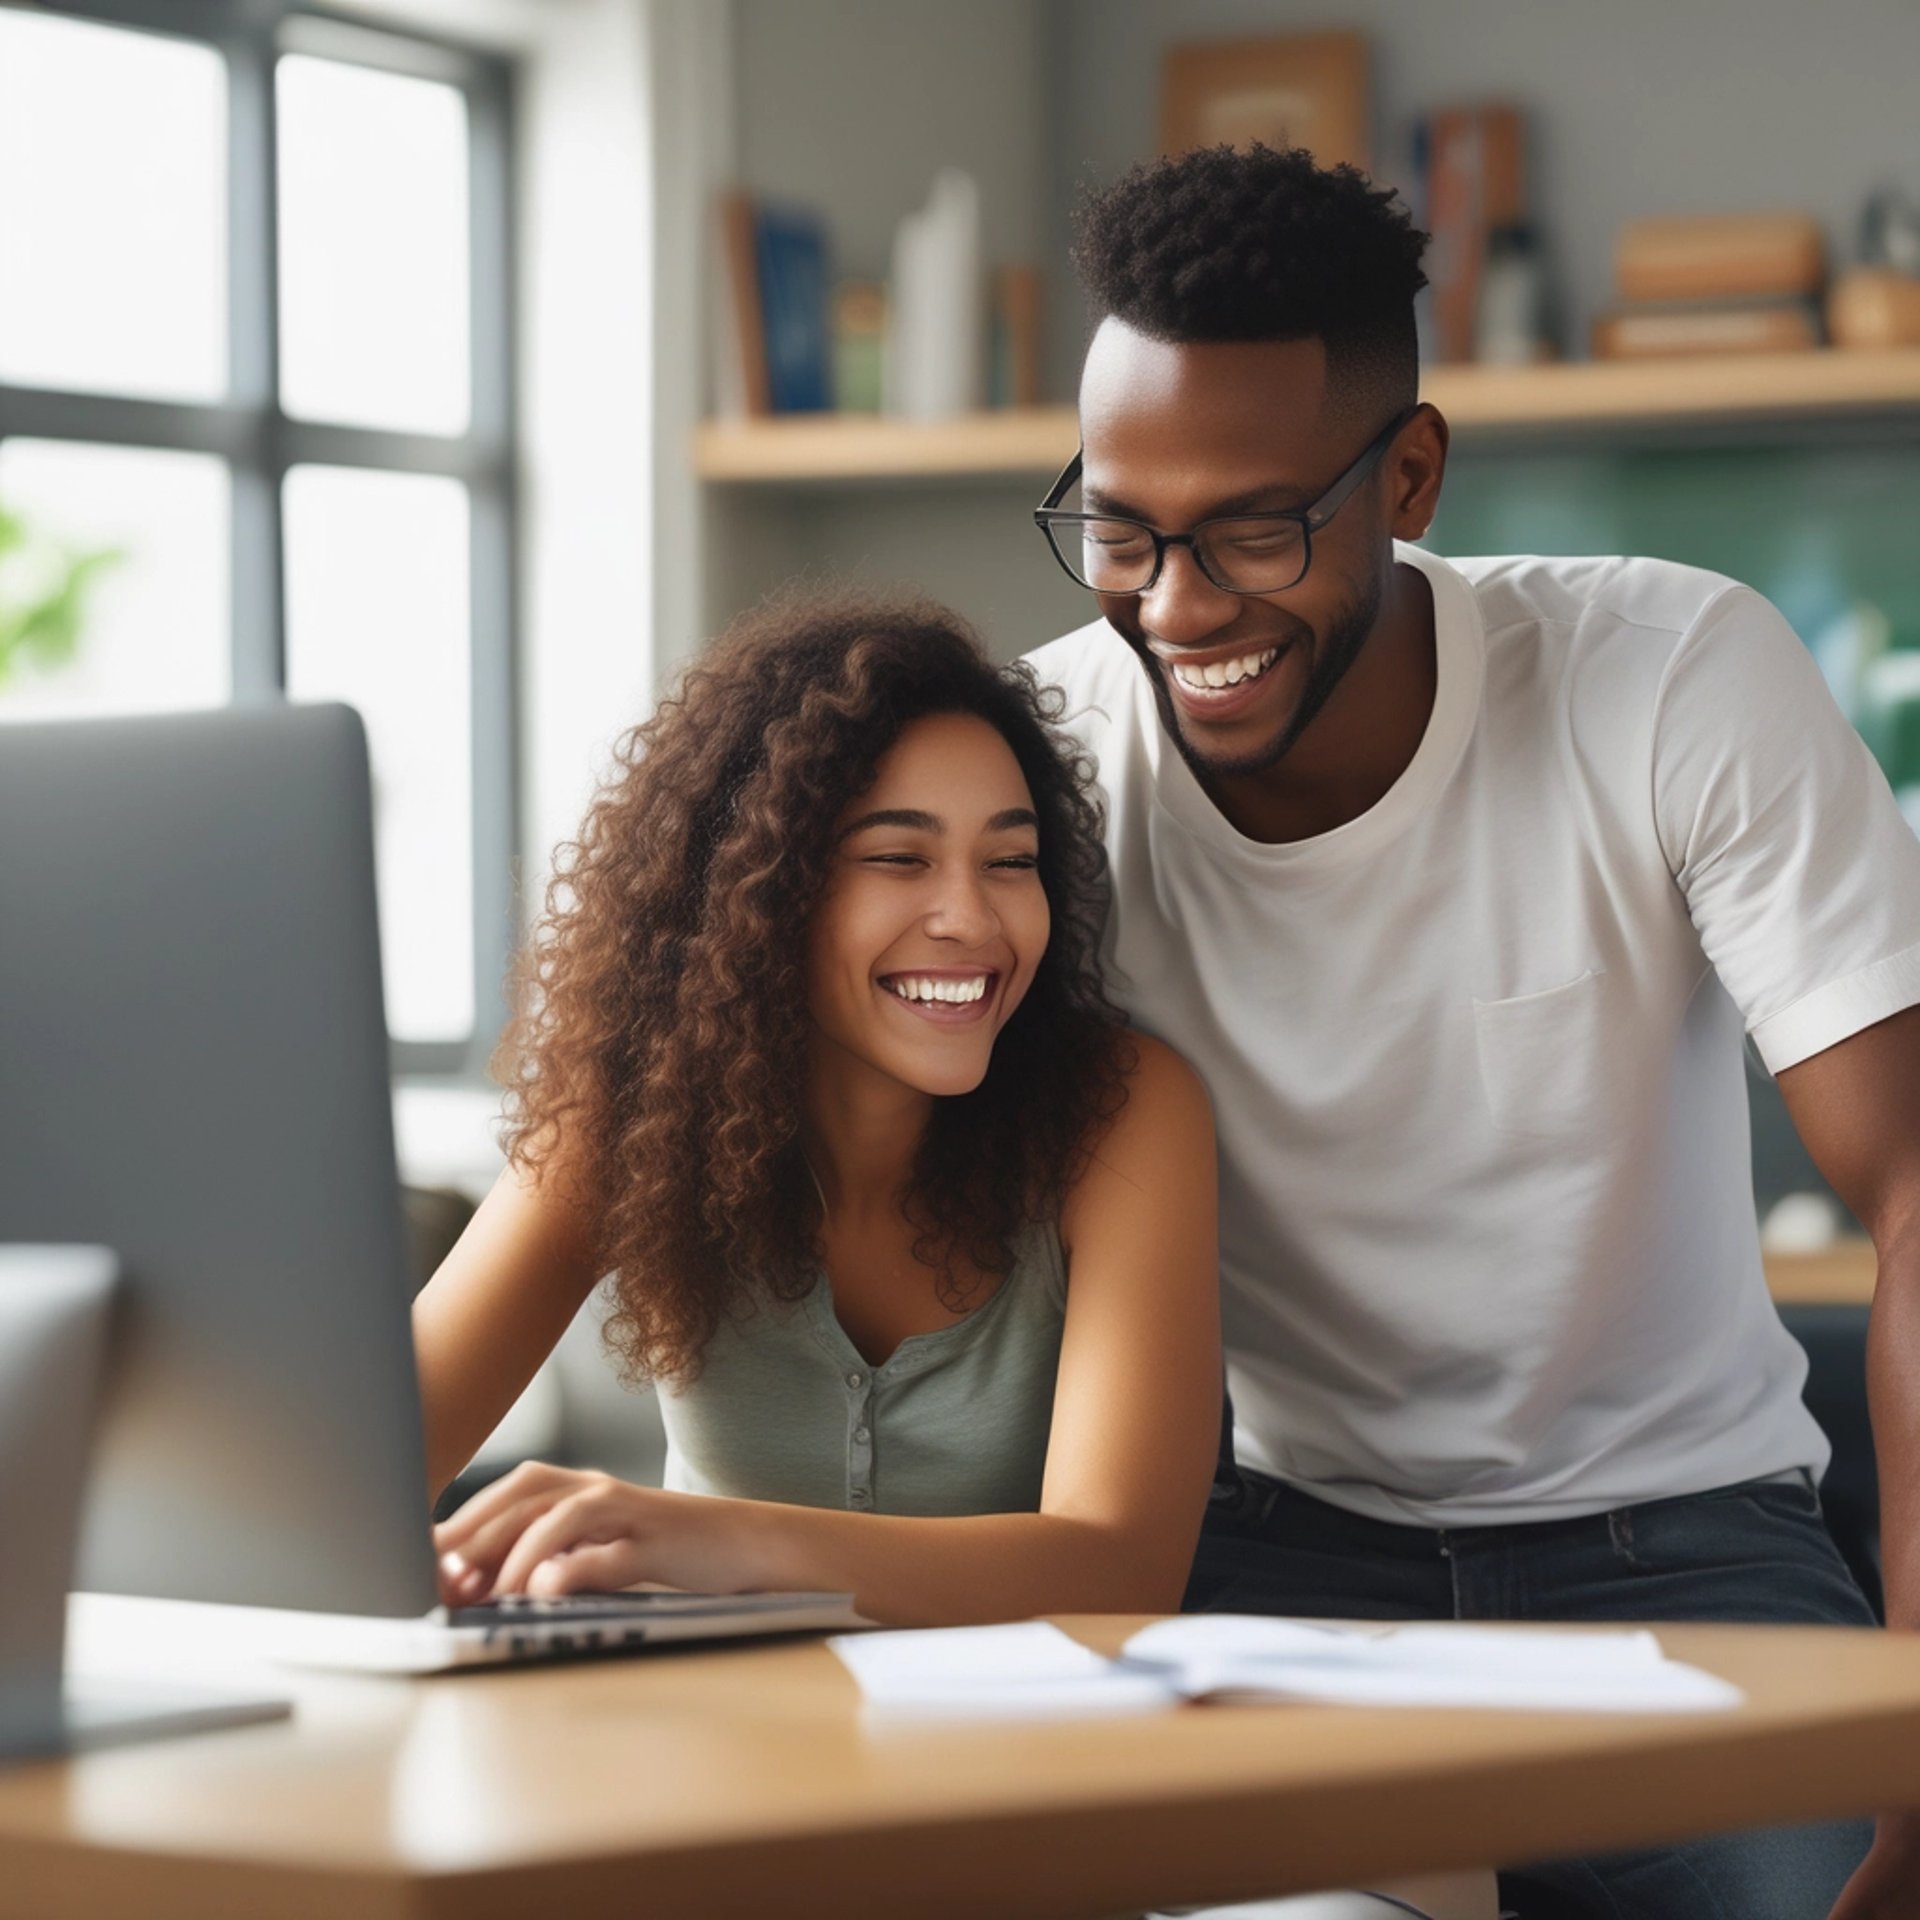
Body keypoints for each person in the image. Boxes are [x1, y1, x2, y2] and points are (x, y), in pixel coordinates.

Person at [1025, 143, 1920, 1920]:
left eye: (1256, 530)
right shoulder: (1048, 762)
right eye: (1123, 529)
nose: (1178, 609)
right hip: (1268, 1551)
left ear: (1410, 475)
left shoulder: (1672, 677)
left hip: (1683, 1544)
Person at [413, 588, 1223, 1628]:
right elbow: (362, 1472)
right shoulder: (632, 1110)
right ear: (761, 894)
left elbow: (1120, 1571)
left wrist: (719, 1539)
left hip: (1021, 1758)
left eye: (1010, 862)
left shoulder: (1123, 1112)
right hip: (716, 1754)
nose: (972, 918)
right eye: (900, 858)